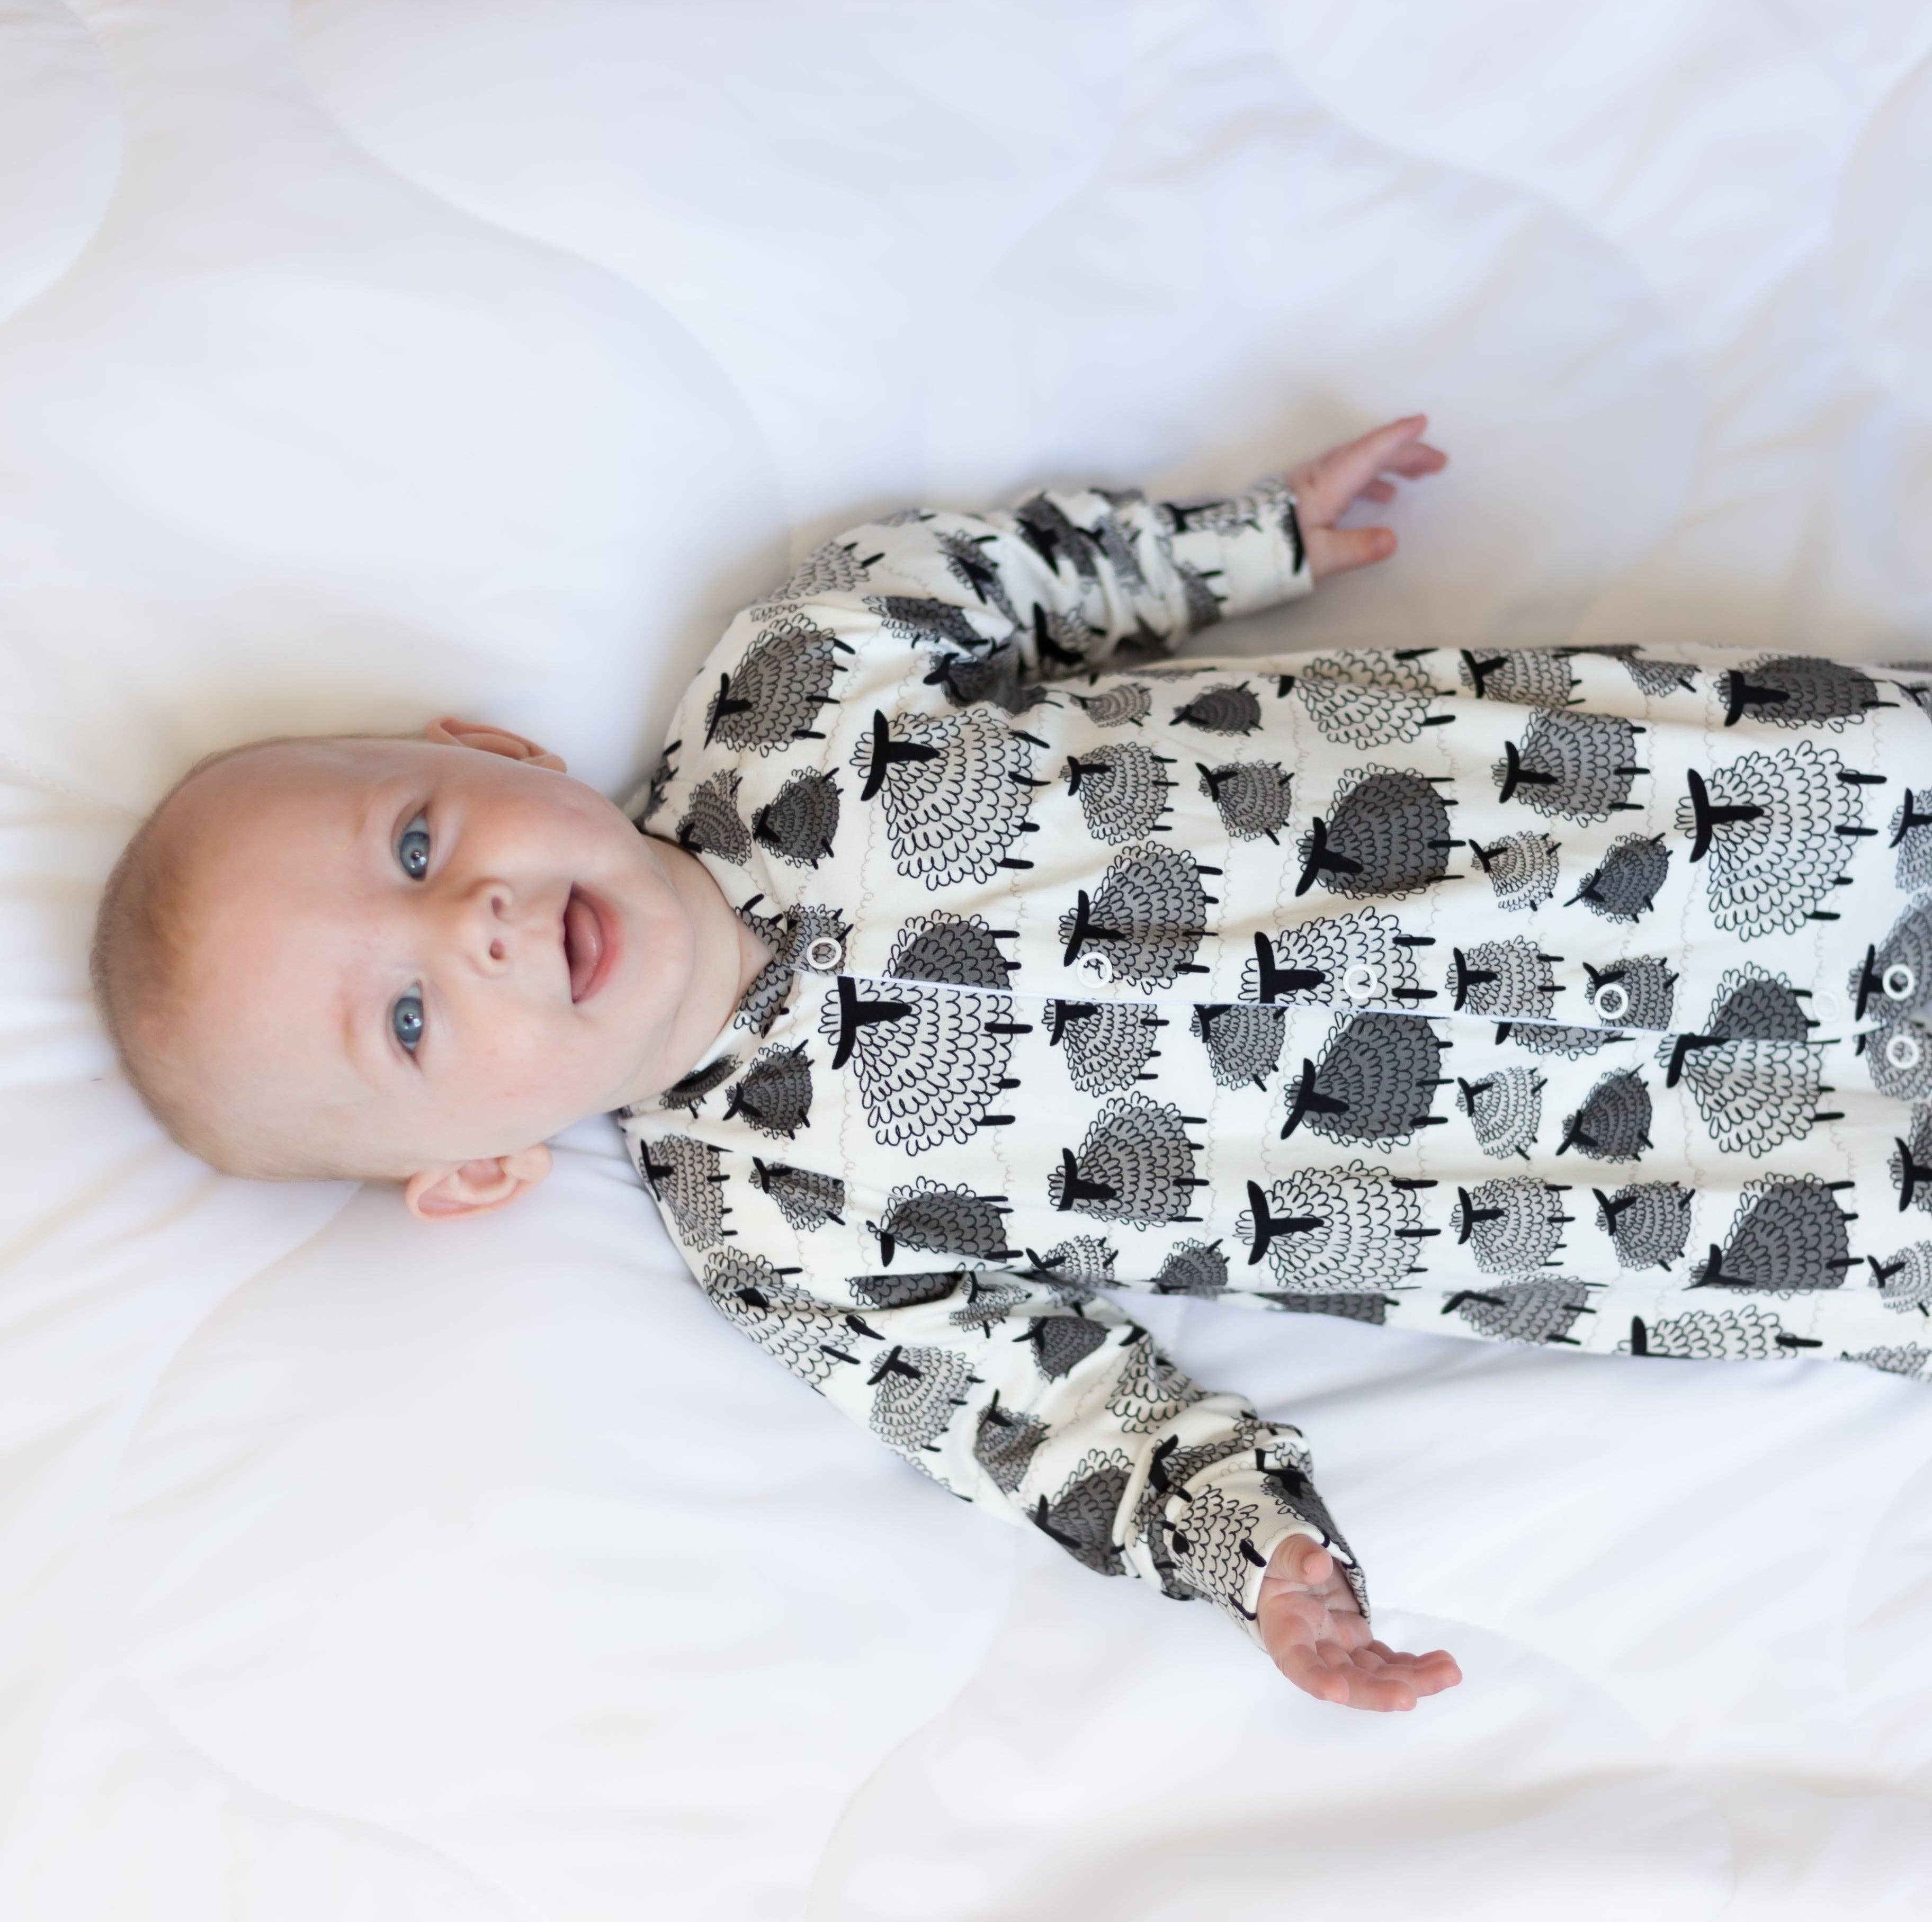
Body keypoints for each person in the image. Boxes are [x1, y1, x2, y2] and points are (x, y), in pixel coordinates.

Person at [91, 417, 1932, 1713]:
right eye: (409, 1022)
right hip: (1649, 1177)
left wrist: (1250, 539)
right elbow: (1052, 1418)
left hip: (1662, 828)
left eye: (417, 846)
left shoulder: (796, 684)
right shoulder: (778, 1224)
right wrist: (1254, 1561)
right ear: (478, 1167)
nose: (473, 927)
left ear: (494, 751)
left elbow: (1025, 577)